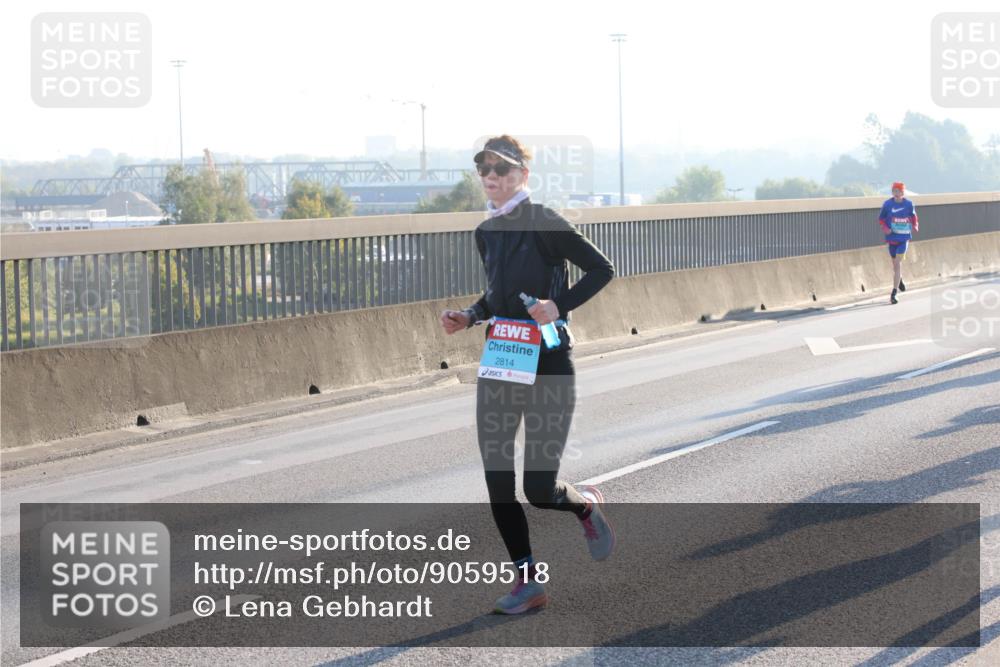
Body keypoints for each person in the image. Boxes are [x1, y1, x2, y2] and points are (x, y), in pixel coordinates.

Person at [440, 135, 616, 614]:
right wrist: (470, 314)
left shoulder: (545, 222)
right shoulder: (485, 231)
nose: (491, 177)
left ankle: (582, 506)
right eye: (484, 169)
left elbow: (603, 269)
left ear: (523, 176)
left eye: (502, 169)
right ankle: (528, 583)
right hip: (501, 363)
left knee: (538, 489)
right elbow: (498, 295)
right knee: (498, 480)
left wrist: (557, 305)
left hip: (550, 366)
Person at [878, 182, 919, 304]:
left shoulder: (909, 204)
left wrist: (915, 225)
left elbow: (914, 216)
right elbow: (881, 219)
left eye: (898, 191)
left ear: (902, 193)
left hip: (903, 239)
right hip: (892, 239)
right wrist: (885, 228)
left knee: (897, 264)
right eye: (894, 191)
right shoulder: (887, 204)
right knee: (895, 266)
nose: (896, 193)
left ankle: (894, 293)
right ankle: (899, 279)